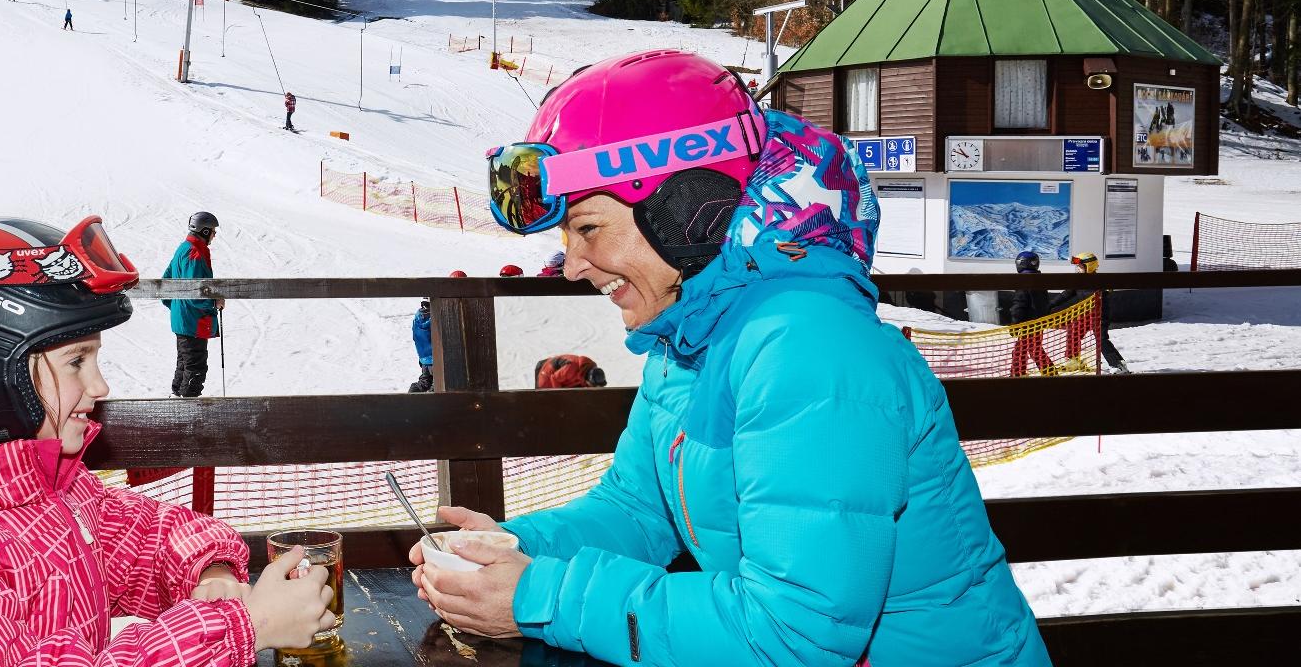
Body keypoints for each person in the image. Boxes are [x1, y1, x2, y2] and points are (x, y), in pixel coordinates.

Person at [413, 50, 1049, 666]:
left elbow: (792, 635)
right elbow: (637, 513)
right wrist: (510, 550)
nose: (572, 265)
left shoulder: (810, 350)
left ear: (687, 213)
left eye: (588, 228)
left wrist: (541, 597)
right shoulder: (688, 341)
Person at [0, 214, 333, 664]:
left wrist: (210, 570)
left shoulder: (49, 486)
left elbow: (149, 535)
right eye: (76, 361)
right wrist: (244, 628)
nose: (99, 386)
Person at [163, 211, 223, 397]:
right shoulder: (195, 252)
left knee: (185, 364)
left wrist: (176, 309)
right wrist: (214, 301)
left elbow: (165, 281)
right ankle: (187, 413)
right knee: (195, 367)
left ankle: (177, 402)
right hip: (193, 320)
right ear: (204, 231)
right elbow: (195, 291)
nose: (214, 235)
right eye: (212, 231)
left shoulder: (183, 248)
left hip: (184, 319)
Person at [1064, 252, 1129, 373]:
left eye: (1081, 267)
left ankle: (1118, 365)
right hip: (1083, 315)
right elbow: (1066, 294)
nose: (1078, 269)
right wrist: (1051, 305)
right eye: (1077, 267)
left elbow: (1106, 292)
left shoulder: (1099, 281)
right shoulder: (1078, 280)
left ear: (1090, 266)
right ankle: (1073, 360)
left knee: (1101, 340)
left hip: (1098, 316)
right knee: (1073, 333)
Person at [1007, 250, 1055, 376]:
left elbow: (1019, 304)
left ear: (1022, 264)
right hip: (1038, 323)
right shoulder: (1039, 280)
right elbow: (1044, 303)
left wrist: (1014, 323)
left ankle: (1049, 373)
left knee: (1030, 350)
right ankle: (1018, 373)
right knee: (1026, 349)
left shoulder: (1024, 281)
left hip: (1027, 324)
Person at [533, 354, 607, 389]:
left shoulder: (585, 371)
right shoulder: (571, 368)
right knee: (546, 400)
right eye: (593, 386)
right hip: (546, 376)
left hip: (564, 380)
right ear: (588, 380)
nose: (594, 388)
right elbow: (554, 378)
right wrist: (562, 396)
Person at [409, 300, 434, 392]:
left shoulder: (417, 318)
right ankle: (428, 404)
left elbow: (416, 338)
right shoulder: (434, 318)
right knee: (437, 386)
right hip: (435, 360)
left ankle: (411, 398)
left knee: (424, 383)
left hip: (424, 359)